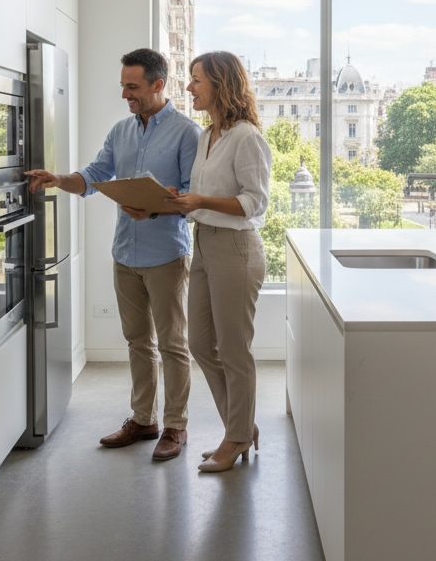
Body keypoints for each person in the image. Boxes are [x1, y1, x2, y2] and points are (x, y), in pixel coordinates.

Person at [24, 48, 201, 461]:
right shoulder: (121, 131)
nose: (125, 94)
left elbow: (193, 198)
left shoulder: (186, 133)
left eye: (133, 86)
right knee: (138, 341)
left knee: (173, 344)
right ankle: (143, 419)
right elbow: (94, 175)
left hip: (166, 256)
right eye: (123, 85)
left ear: (158, 85)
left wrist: (156, 205)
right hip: (126, 253)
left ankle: (176, 426)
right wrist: (59, 179)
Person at [161, 51, 272, 473]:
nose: (189, 87)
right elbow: (200, 199)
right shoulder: (208, 136)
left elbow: (253, 203)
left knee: (233, 349)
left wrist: (201, 200)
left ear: (221, 84)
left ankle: (237, 435)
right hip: (204, 242)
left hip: (235, 249)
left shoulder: (246, 137)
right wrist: (168, 203)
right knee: (199, 344)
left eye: (196, 80)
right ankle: (241, 427)